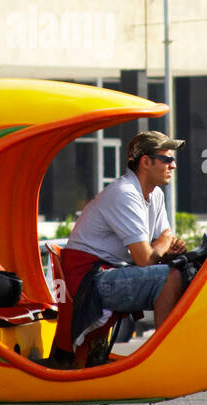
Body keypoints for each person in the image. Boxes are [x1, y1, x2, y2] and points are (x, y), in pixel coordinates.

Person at [50, 132, 188, 369]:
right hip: (89, 280)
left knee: (186, 270)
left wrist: (167, 246)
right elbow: (146, 258)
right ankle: (164, 357)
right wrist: (165, 244)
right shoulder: (124, 193)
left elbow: (163, 241)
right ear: (146, 162)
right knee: (171, 277)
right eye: (167, 159)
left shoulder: (155, 194)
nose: (173, 165)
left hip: (109, 272)